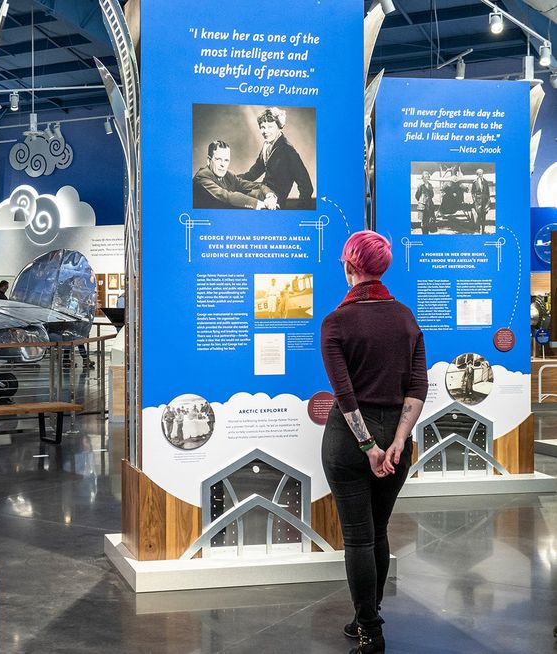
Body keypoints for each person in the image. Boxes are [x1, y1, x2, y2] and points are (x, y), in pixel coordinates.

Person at [320, 231, 427, 654]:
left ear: (349, 267)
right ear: (382, 268)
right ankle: (370, 614)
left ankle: (369, 630)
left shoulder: (336, 322)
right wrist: (397, 441)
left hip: (350, 441)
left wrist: (368, 448)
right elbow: (417, 386)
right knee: (378, 531)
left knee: (359, 538)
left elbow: (344, 394)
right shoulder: (405, 317)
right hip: (397, 438)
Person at [240, 107, 314, 209]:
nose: (265, 131)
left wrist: (300, 212)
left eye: (270, 127)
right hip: (262, 192)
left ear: (279, 126)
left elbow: (306, 187)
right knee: (230, 193)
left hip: (273, 203)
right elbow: (253, 173)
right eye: (262, 127)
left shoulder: (287, 150)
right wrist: (232, 179)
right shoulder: (267, 145)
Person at [193, 140, 278, 210]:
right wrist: (261, 204)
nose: (223, 165)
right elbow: (227, 196)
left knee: (258, 193)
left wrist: (270, 196)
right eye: (219, 159)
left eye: (226, 160)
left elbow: (257, 185)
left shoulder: (229, 175)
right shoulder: (202, 176)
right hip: (204, 221)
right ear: (209, 160)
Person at [471, 169, 492, 234]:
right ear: (477, 174)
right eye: (479, 173)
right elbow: (472, 192)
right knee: (478, 216)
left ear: (483, 174)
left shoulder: (485, 182)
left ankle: (483, 230)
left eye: (481, 173)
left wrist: (488, 202)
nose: (480, 174)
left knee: (484, 216)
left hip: (485, 202)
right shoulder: (475, 182)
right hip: (478, 202)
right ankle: (478, 229)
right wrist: (475, 200)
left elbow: (488, 193)